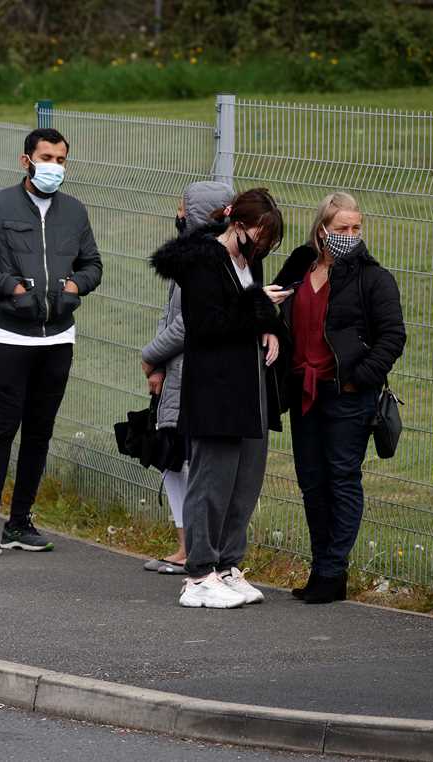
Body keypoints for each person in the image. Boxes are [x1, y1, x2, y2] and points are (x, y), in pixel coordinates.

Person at [0, 127, 103, 559]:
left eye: (60, 159)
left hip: (58, 338)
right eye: (46, 158)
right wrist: (11, 289)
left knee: (40, 431)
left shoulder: (74, 212)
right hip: (8, 337)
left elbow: (93, 264)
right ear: (26, 161)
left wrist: (76, 286)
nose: (53, 167)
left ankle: (20, 519)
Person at [149, 187, 286, 609]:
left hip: (250, 385)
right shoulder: (204, 261)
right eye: (260, 236)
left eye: (269, 241)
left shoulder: (251, 260)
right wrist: (257, 305)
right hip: (215, 387)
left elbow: (248, 312)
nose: (263, 246)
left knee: (246, 479)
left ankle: (227, 564)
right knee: (212, 479)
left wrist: (268, 323)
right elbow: (206, 325)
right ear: (238, 225)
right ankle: (199, 573)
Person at [272, 192, 406, 604]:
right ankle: (321, 569)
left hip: (347, 396)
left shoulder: (373, 277)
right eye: (342, 228)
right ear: (322, 229)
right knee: (312, 482)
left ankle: (333, 572)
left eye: (356, 227)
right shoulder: (300, 268)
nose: (350, 235)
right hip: (304, 393)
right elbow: (273, 307)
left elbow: (392, 337)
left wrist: (358, 379)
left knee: (342, 478)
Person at [139, 181, 235, 574]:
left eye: (183, 206)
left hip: (192, 372)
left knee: (190, 463)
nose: (178, 212)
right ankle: (185, 545)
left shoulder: (205, 260)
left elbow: (185, 322)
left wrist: (151, 356)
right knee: (174, 461)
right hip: (174, 370)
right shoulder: (187, 257)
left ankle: (196, 549)